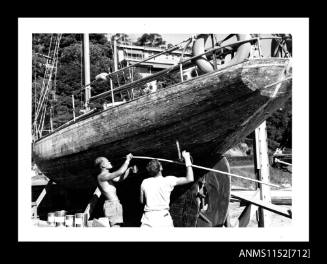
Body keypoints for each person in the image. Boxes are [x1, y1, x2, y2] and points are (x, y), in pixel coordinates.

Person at [140, 150, 194, 227]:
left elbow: (142, 201)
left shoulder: (144, 182)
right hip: (163, 218)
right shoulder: (169, 180)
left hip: (148, 218)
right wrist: (187, 159)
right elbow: (190, 178)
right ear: (161, 168)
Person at [95, 153, 133, 227]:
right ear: (103, 165)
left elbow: (119, 178)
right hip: (112, 205)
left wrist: (129, 170)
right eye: (107, 161)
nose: (110, 162)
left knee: (116, 227)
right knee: (116, 228)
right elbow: (120, 172)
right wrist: (127, 160)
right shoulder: (102, 176)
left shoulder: (106, 176)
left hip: (114, 204)